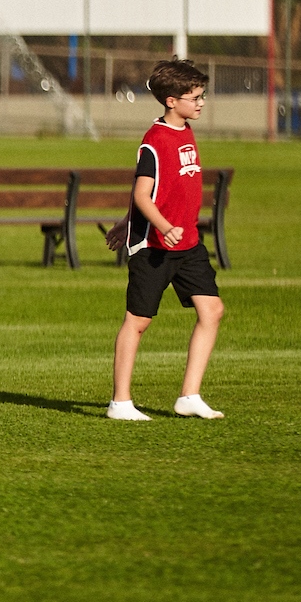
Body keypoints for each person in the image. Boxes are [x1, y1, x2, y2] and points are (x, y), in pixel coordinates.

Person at [104, 58, 225, 421]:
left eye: (203, 95)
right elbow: (143, 194)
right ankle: (120, 403)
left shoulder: (186, 130)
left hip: (187, 245)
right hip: (155, 247)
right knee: (138, 321)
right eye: (195, 97)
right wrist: (157, 225)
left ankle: (189, 396)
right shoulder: (154, 141)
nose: (201, 102)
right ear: (171, 100)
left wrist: (126, 221)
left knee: (212, 310)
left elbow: (166, 190)